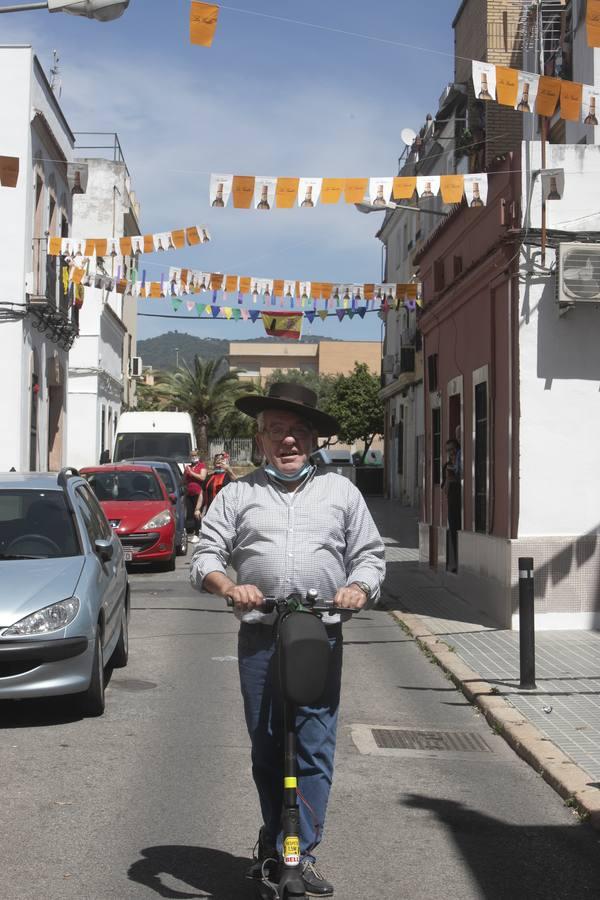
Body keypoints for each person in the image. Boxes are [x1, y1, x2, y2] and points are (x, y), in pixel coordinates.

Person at [190, 382, 385, 897]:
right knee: (268, 747)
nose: (289, 440)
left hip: (319, 637)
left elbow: (370, 554)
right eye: (278, 431)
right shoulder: (238, 494)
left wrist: (358, 588)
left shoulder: (342, 493)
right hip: (260, 639)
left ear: (315, 438)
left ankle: (298, 851)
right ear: (260, 440)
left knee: (315, 747)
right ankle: (277, 842)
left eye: (299, 430)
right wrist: (231, 587)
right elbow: (204, 555)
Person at [442, 438, 462, 573]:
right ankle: (454, 563)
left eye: (453, 449)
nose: (451, 452)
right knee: (454, 531)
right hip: (452, 504)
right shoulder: (447, 466)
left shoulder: (461, 464)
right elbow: (445, 491)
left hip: (463, 503)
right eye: (448, 450)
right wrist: (449, 478)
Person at [183, 450, 207, 544]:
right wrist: (186, 473)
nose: (193, 457)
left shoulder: (202, 466)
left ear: (198, 456)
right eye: (192, 455)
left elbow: (202, 477)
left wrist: (191, 473)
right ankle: (192, 532)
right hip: (189, 493)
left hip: (199, 493)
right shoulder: (188, 467)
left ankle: (197, 533)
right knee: (189, 514)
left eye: (195, 455)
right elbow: (184, 481)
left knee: (197, 513)